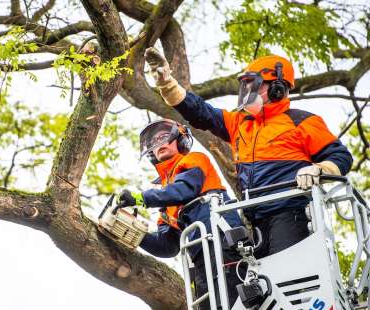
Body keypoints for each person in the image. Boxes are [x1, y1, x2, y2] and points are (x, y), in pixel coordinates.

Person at [144, 47, 353, 258]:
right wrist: (166, 83)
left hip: (290, 213)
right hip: (256, 219)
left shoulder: (302, 121)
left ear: (277, 88)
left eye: (254, 85)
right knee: (263, 285)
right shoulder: (240, 122)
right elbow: (200, 112)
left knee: (287, 279)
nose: (247, 91)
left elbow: (341, 157)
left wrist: (319, 169)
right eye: (246, 85)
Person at [116, 119, 242, 310]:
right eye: (154, 142)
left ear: (180, 139)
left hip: (222, 241)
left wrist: (140, 198)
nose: (159, 143)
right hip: (201, 255)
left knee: (229, 305)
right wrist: (131, 232)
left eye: (164, 137)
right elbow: (167, 246)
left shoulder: (194, 160)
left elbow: (185, 189)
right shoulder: (166, 201)